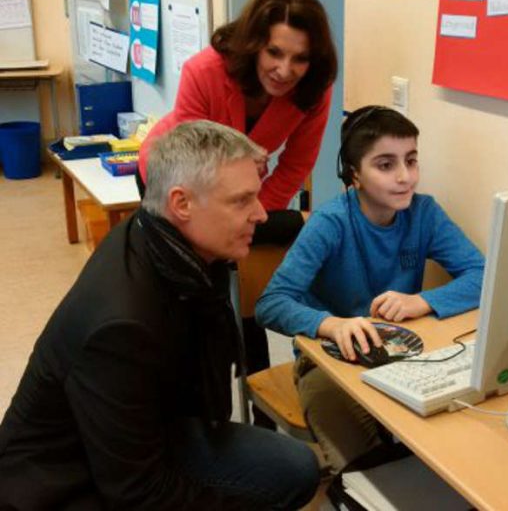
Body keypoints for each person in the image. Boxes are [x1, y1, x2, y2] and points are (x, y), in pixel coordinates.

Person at [0, 121, 320, 510]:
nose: (261, 215)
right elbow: (137, 493)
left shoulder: (167, 237)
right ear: (181, 203)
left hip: (146, 433)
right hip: (61, 484)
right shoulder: (122, 326)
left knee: (294, 467)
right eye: (241, 201)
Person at [256, 106, 486, 473]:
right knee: (363, 470)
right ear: (354, 176)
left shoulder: (424, 213)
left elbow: (483, 274)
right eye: (385, 165)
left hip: (406, 354)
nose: (405, 177)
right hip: (328, 365)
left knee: (448, 447)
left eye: (411, 161)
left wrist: (422, 300)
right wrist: (332, 324)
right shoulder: (330, 223)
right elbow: (271, 302)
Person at [138, 0, 338, 212]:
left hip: (232, 188)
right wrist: (239, 166)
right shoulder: (203, 71)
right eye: (274, 52)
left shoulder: (314, 87)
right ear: (254, 45)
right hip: (172, 176)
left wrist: (254, 213)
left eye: (300, 59)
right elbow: (190, 166)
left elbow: (296, 165)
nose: (284, 70)